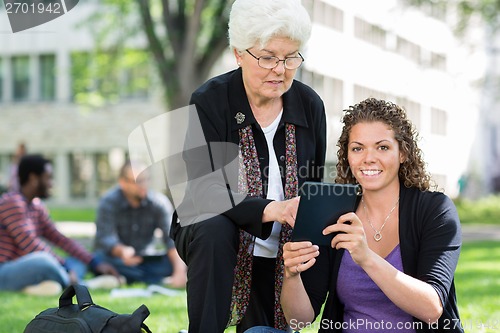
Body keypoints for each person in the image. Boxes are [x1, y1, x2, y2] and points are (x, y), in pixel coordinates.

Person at [169, 0, 327, 332]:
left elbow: (313, 184)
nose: (280, 70)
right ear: (239, 54)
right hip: (210, 233)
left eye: (291, 58)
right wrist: (272, 210)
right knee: (214, 227)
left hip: (279, 250)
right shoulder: (210, 100)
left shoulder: (310, 105)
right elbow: (203, 190)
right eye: (268, 57)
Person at [247, 98, 462, 333]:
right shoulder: (336, 213)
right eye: (358, 148)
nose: (368, 158)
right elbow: (300, 321)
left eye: (382, 147)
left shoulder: (434, 210)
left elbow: (431, 309)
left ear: (403, 153)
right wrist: (292, 274)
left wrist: (365, 257)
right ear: (347, 157)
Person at [0, 154, 120, 296]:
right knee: (43, 260)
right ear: (33, 178)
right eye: (48, 177)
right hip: (5, 270)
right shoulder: (12, 203)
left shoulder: (36, 206)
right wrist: (66, 267)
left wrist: (95, 262)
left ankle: (42, 287)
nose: (52, 183)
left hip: (28, 269)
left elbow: (60, 239)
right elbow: (30, 244)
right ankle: (82, 285)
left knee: (77, 259)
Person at [93, 160, 187, 288]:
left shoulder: (159, 203)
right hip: (118, 258)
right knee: (98, 259)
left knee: (177, 261)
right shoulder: (108, 202)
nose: (143, 185)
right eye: (137, 181)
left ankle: (122, 278)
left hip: (145, 258)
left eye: (145, 179)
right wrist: (122, 251)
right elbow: (105, 238)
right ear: (122, 182)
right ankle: (151, 278)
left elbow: (172, 240)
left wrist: (179, 272)